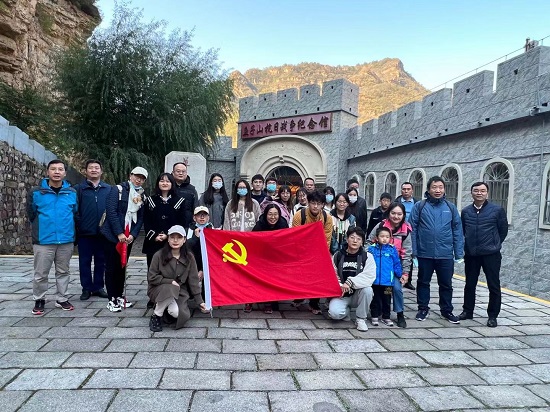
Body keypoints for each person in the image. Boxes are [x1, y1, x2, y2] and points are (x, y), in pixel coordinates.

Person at [410, 176, 464, 323]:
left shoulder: (450, 207)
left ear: (444, 189)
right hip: (424, 253)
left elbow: (457, 230)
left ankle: (447, 310)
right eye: (434, 187)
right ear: (428, 189)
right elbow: (412, 229)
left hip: (445, 254)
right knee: (423, 282)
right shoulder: (420, 206)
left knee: (446, 284)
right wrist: (414, 252)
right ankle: (423, 308)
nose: (438, 190)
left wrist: (459, 253)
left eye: (440, 187)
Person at [28, 159, 78, 315]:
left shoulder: (72, 193)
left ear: (65, 173)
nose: (57, 172)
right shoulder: (36, 192)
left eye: (60, 169)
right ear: (47, 172)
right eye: (53, 169)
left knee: (63, 271)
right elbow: (31, 213)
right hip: (44, 240)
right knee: (41, 273)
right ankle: (39, 299)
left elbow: (75, 213)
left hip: (66, 239)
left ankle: (62, 298)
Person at [460, 182, 508, 327]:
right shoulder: (466, 211)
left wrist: (494, 244)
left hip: (491, 254)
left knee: (493, 285)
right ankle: (467, 311)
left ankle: (492, 315)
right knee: (470, 284)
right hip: (472, 254)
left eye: (482, 191)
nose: (479, 193)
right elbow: (463, 230)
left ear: (487, 193)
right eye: (476, 190)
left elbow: (503, 231)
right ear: (471, 193)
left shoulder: (497, 210)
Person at [100, 167, 148, 312]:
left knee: (122, 266)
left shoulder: (142, 195)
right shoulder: (117, 190)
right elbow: (111, 211)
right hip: (113, 235)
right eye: (136, 176)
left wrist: (133, 234)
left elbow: (141, 217)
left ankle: (119, 295)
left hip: (128, 236)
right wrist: (119, 233)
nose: (138, 180)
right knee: (111, 267)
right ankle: (111, 298)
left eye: (142, 178)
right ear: (130, 176)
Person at [147, 225, 206, 332]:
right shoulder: (158, 255)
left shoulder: (189, 257)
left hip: (180, 291)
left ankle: (164, 309)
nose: (175, 240)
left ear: (184, 240)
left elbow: (193, 280)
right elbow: (151, 277)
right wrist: (170, 281)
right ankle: (156, 315)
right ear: (168, 239)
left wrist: (200, 301)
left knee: (178, 314)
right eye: (172, 237)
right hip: (158, 289)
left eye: (179, 237)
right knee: (170, 288)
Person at [367, 202, 412, 328]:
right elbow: (369, 242)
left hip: (393, 269)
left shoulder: (406, 230)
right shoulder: (381, 225)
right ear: (388, 213)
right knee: (375, 291)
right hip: (377, 267)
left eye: (399, 214)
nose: (396, 216)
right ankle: (374, 312)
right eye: (393, 213)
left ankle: (400, 313)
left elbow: (407, 254)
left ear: (403, 215)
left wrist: (405, 273)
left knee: (396, 289)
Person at [74, 159, 110, 301]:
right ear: (85, 171)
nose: (94, 170)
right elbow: (75, 209)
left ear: (101, 171)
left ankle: (98, 287)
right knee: (85, 261)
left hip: (103, 233)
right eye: (91, 168)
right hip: (85, 233)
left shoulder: (108, 189)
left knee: (102, 261)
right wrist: (80, 224)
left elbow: (112, 209)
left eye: (96, 168)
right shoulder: (79, 189)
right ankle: (86, 288)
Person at [291, 190, 333, 314]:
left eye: (319, 204)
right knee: (300, 276)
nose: (315, 206)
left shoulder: (327, 218)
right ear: (308, 203)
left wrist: (318, 254)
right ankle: (299, 297)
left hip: (318, 252)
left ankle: (314, 302)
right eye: (313, 203)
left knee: (317, 278)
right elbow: (295, 236)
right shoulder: (299, 215)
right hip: (301, 251)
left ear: (323, 205)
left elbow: (326, 239)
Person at [328, 227, 375, 332]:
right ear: (347, 239)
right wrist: (340, 285)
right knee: (334, 314)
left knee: (368, 290)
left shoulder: (367, 256)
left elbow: (369, 276)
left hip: (358, 294)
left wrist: (350, 282)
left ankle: (361, 319)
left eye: (358, 239)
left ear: (362, 242)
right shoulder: (338, 255)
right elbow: (332, 274)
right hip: (342, 293)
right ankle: (346, 312)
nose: (355, 241)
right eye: (352, 237)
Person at [251, 203, 289, 313]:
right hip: (261, 257)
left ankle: (274, 300)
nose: (273, 217)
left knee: (276, 279)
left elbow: (287, 241)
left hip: (277, 256)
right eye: (270, 214)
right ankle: (259, 301)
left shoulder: (283, 224)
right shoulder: (259, 225)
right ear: (265, 215)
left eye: (275, 214)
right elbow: (252, 242)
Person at [142, 173, 186, 268]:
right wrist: (154, 236)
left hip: (172, 241)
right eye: (162, 181)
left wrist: (168, 235)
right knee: (153, 268)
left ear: (172, 184)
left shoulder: (179, 201)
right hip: (153, 241)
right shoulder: (150, 200)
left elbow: (181, 222)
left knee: (170, 269)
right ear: (158, 183)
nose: (164, 183)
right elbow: (146, 221)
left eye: (167, 181)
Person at [368, 226, 402, 327]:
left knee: (387, 299)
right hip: (375, 281)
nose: (384, 239)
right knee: (375, 299)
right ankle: (374, 315)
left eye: (387, 237)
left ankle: (386, 316)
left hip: (388, 281)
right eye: (382, 236)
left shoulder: (392, 249)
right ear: (377, 238)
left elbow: (396, 263)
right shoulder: (372, 249)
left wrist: (399, 274)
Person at [394, 182, 419, 290]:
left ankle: (408, 280)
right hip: (399, 231)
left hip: (412, 232)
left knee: (409, 255)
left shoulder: (417, 203)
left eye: (408, 189)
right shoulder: (396, 202)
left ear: (412, 190)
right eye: (404, 189)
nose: (406, 191)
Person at [186, 206, 214, 290]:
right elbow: (186, 248)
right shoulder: (188, 230)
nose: (202, 217)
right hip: (192, 265)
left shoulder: (214, 230)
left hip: (209, 266)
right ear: (194, 218)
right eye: (199, 215)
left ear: (208, 217)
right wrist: (196, 238)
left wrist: (203, 269)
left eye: (204, 215)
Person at [172, 162, 198, 229]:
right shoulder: (168, 187)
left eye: (183, 171)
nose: (181, 173)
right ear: (173, 173)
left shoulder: (192, 189)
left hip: (187, 225)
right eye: (178, 171)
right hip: (170, 223)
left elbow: (195, 207)